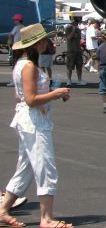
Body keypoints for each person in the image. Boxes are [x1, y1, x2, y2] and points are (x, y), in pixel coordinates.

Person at [0, 23, 73, 228]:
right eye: (44, 40)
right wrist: (56, 94)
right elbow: (31, 99)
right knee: (44, 166)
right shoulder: (30, 66)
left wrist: (48, 95)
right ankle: (46, 218)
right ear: (38, 43)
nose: (47, 43)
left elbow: (20, 96)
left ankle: (3, 209)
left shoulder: (22, 64)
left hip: (27, 118)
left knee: (25, 167)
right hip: (34, 121)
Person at [64, 17, 86, 86]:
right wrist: (73, 30)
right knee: (69, 66)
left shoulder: (78, 30)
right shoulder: (68, 28)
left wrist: (82, 48)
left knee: (79, 66)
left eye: (77, 23)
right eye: (76, 23)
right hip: (71, 50)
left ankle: (79, 80)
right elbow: (68, 38)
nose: (77, 24)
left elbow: (79, 40)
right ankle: (69, 80)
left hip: (78, 51)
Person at [6, 14, 25, 86]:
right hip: (23, 48)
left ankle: (14, 81)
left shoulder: (16, 27)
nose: (14, 21)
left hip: (16, 47)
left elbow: (10, 35)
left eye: (15, 20)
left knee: (15, 64)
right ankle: (21, 80)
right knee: (21, 64)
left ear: (18, 20)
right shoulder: (24, 27)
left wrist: (9, 39)